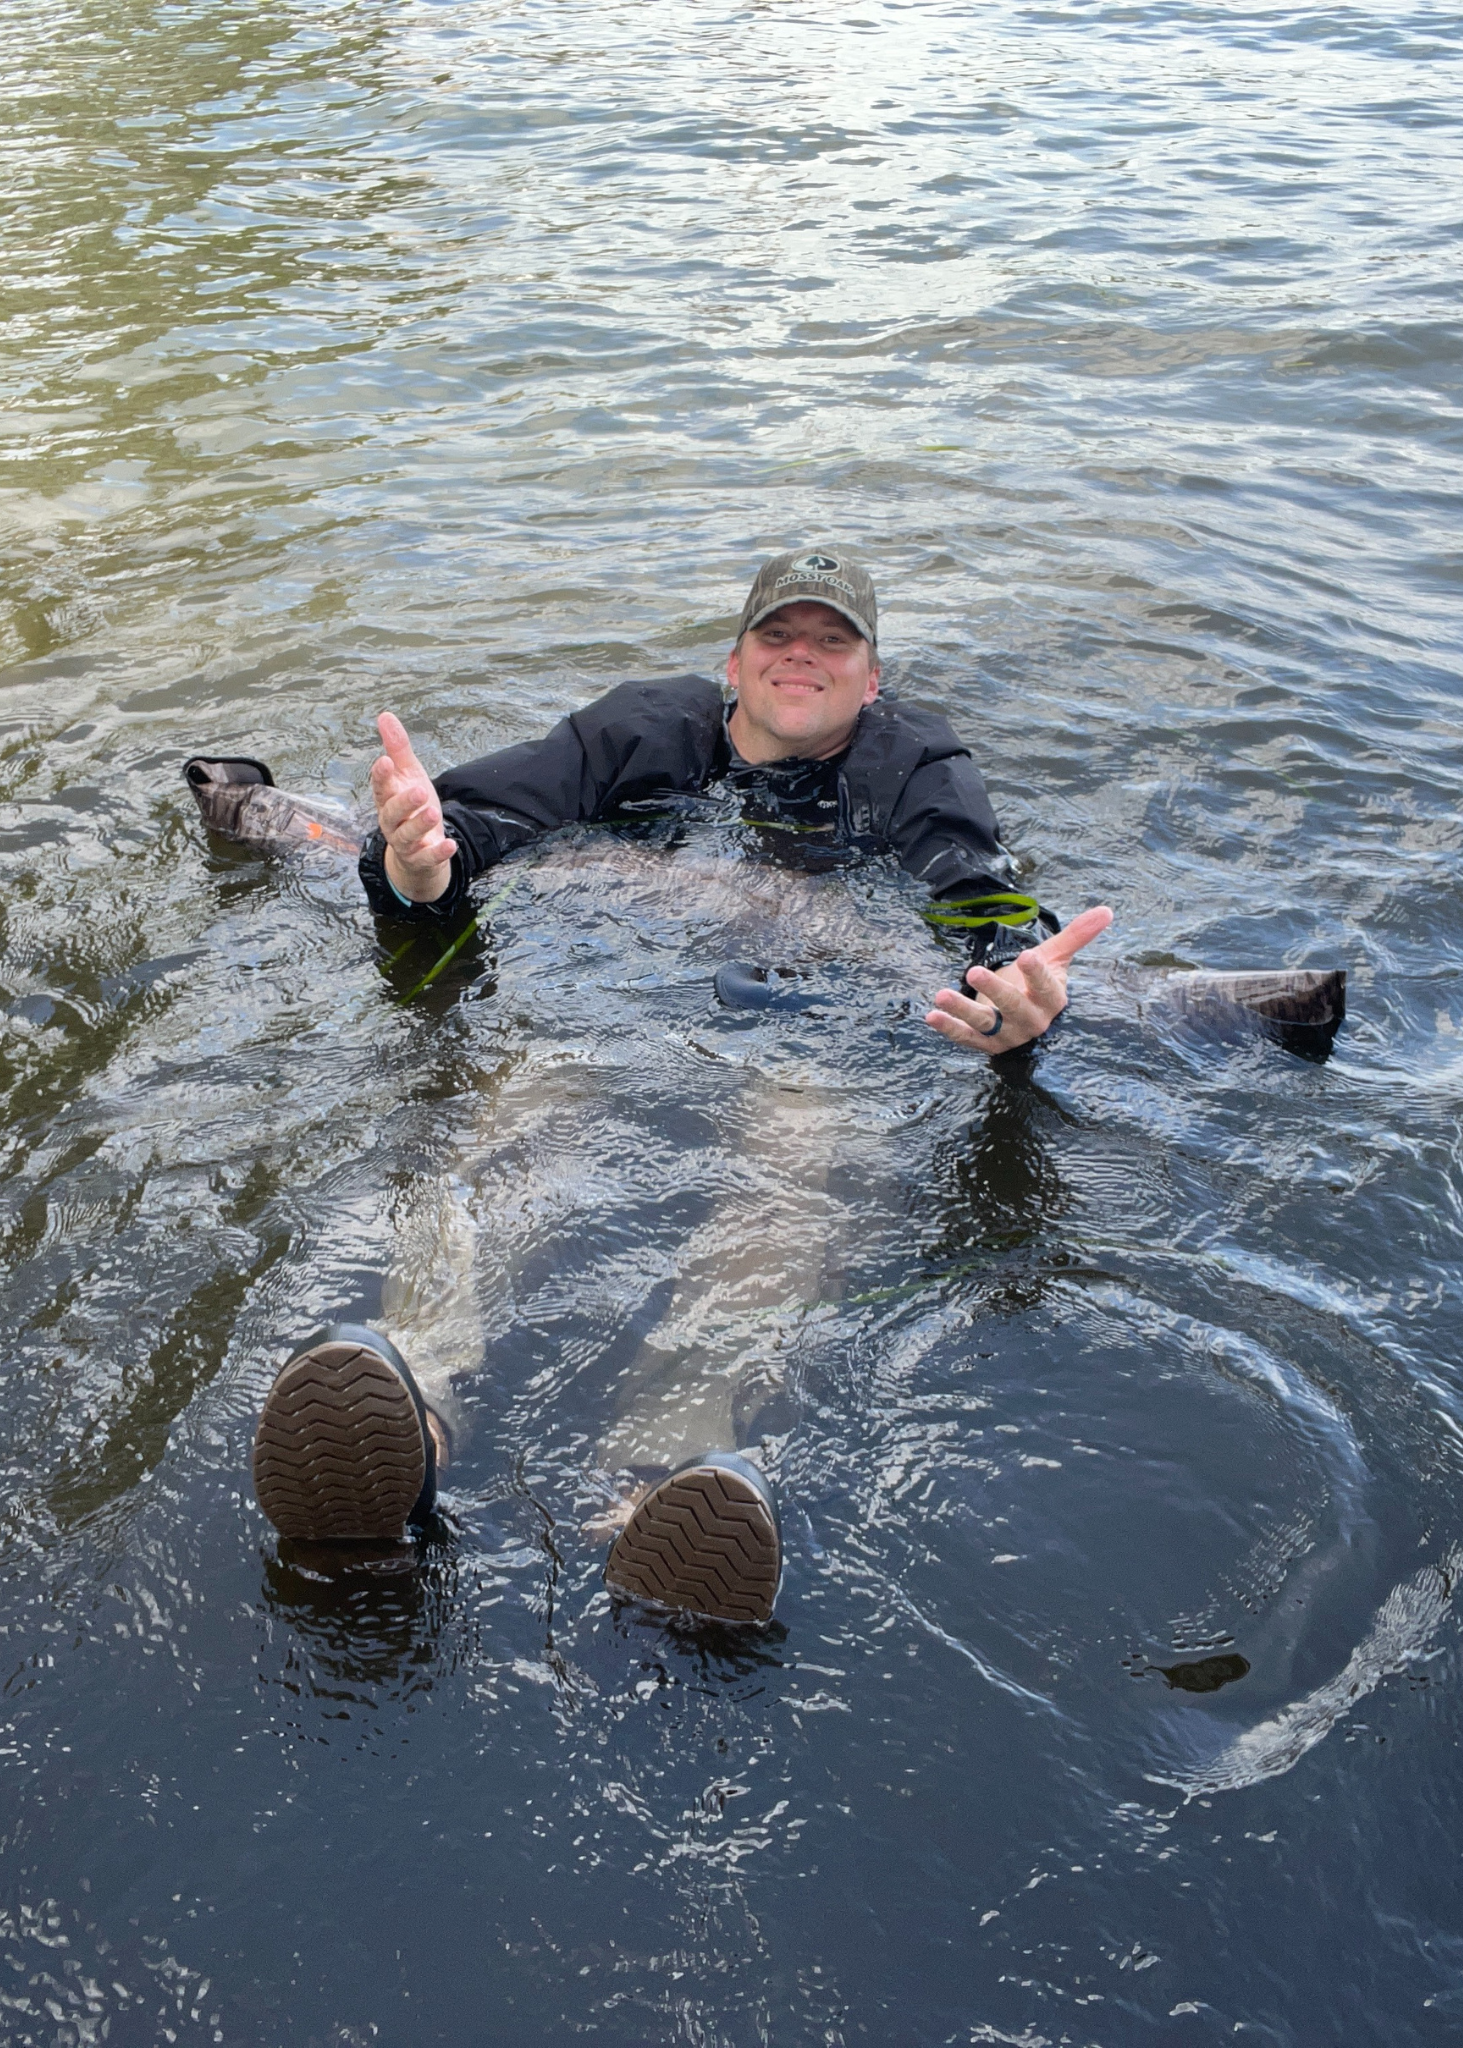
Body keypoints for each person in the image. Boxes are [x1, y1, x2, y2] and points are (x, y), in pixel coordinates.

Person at [251, 547, 1113, 1625]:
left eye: (831, 641)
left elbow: (975, 902)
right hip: (609, 1015)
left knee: (792, 1156)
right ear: (734, 662)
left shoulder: (916, 770)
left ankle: (658, 1487)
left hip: (806, 1042)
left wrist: (1012, 997)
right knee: (524, 1103)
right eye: (778, 636)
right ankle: (406, 1412)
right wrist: (418, 868)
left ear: (871, 677)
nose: (801, 655)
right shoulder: (642, 731)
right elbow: (471, 822)